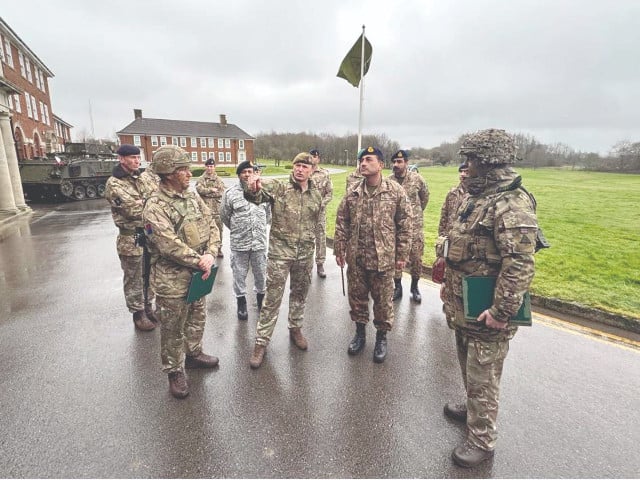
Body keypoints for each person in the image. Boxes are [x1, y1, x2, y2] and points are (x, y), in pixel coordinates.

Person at [438, 129, 538, 467]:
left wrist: (502, 311)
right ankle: (471, 408)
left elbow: (520, 262)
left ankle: (482, 439)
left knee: (484, 373)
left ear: (488, 162)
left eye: (471, 160)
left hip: (487, 310)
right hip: (465, 304)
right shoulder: (477, 197)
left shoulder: (512, 202)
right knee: (469, 364)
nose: (466, 166)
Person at [142, 145, 221, 399]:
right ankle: (174, 371)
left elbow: (211, 222)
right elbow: (167, 245)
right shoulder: (155, 206)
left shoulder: (191, 195)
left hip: (198, 273)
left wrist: (210, 252)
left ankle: (194, 354)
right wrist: (201, 261)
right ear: (167, 173)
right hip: (172, 279)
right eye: (182, 169)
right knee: (173, 327)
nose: (189, 173)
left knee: (197, 315)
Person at [244, 152, 323, 369]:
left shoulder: (316, 195)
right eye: (297, 165)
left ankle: (295, 328)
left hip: (305, 254)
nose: (300, 169)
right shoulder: (279, 188)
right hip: (280, 254)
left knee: (299, 294)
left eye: (304, 166)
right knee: (272, 299)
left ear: (312, 170)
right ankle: (261, 342)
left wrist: (317, 252)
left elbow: (317, 224)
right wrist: (252, 188)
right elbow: (256, 196)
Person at [334, 146, 412, 363]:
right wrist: (340, 249)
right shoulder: (353, 192)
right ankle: (360, 334)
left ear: (381, 165)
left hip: (383, 260)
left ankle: (381, 337)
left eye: (368, 160)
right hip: (357, 258)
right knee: (357, 300)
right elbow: (342, 222)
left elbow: (405, 224)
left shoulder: (395, 192)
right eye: (361, 160)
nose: (363, 164)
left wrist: (402, 254)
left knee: (382, 302)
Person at [104, 144, 156, 331]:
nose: (137, 160)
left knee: (149, 272)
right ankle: (138, 314)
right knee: (134, 276)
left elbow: (156, 198)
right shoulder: (114, 183)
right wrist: (144, 203)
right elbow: (132, 210)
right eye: (132, 157)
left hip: (148, 234)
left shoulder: (141, 178)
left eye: (138, 157)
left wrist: (144, 202)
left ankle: (148, 306)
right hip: (131, 237)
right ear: (121, 159)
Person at [220, 160, 270, 321]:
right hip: (239, 242)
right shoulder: (230, 193)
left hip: (259, 242)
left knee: (261, 273)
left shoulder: (264, 193)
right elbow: (225, 216)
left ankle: (261, 300)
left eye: (250, 171)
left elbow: (268, 214)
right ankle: (241, 302)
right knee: (239, 274)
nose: (247, 175)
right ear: (239, 175)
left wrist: (259, 228)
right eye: (244, 172)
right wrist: (238, 229)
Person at [388, 149, 429, 303]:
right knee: (396, 258)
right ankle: (397, 286)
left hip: (415, 227)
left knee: (416, 258)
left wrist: (415, 214)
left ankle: (414, 287)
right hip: (395, 227)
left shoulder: (417, 179)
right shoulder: (389, 181)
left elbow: (425, 198)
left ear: (406, 163)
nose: (396, 165)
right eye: (394, 162)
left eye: (399, 162)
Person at [137, 161, 160, 321]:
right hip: (148, 229)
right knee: (146, 272)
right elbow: (138, 206)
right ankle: (146, 306)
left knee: (159, 270)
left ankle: (159, 306)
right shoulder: (143, 178)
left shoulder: (164, 176)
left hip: (162, 231)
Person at [309, 149, 333, 278]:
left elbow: (330, 193)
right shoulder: (304, 172)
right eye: (310, 156)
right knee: (305, 239)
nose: (312, 159)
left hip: (319, 213)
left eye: (315, 157)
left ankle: (320, 264)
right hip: (305, 213)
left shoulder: (324, 174)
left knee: (320, 238)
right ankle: (305, 265)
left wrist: (321, 205)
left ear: (318, 159)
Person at [195, 158, 226, 258]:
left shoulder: (219, 180)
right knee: (203, 231)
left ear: (214, 167)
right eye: (208, 166)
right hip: (204, 211)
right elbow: (199, 190)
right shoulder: (201, 179)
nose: (209, 168)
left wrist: (207, 192)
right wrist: (211, 190)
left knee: (218, 230)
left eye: (211, 166)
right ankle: (204, 251)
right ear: (205, 167)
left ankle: (218, 249)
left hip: (217, 210)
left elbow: (222, 192)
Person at [437, 163, 469, 237]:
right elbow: (444, 213)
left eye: (466, 172)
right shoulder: (453, 192)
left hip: (464, 236)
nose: (462, 174)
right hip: (449, 234)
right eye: (461, 172)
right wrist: (441, 234)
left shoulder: (476, 194)